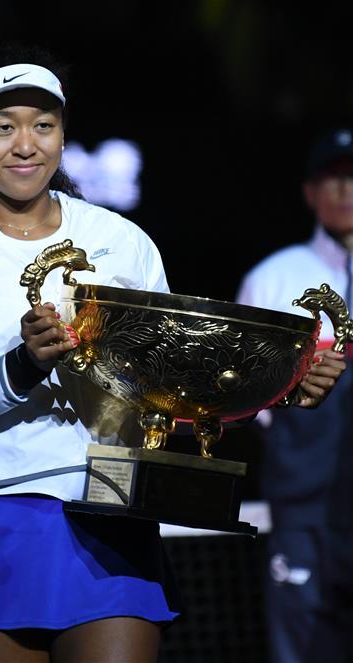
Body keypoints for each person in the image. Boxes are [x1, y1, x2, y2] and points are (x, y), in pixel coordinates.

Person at [0, 45, 346, 663]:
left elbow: (174, 385)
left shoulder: (119, 241)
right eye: (3, 127)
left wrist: (282, 385)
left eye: (43, 126)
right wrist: (21, 364)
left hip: (113, 504)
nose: (25, 145)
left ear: (64, 136)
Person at [236, 127, 351, 663]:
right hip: (304, 505)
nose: (344, 191)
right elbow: (246, 393)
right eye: (331, 180)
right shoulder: (275, 279)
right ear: (310, 193)